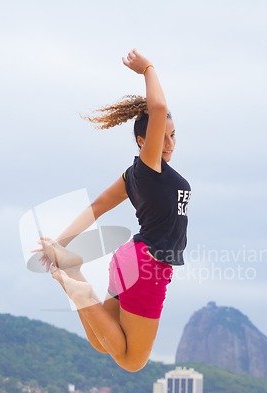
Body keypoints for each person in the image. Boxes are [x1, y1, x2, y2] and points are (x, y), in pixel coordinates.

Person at [37, 48, 191, 373]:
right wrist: (148, 68)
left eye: (173, 136)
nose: (169, 144)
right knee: (132, 361)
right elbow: (159, 107)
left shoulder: (133, 175)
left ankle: (74, 272)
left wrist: (61, 245)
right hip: (148, 264)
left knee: (102, 340)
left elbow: (98, 207)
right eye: (160, 137)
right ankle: (76, 287)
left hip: (131, 258)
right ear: (141, 141)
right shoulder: (150, 168)